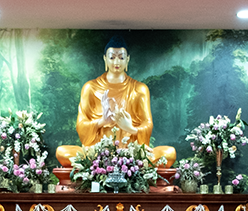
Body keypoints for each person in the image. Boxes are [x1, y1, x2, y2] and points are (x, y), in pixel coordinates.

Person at [56, 36, 176, 167]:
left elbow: (147, 123)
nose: (116, 62)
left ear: (127, 60)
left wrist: (130, 128)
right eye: (112, 57)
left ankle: (122, 166)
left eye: (121, 57)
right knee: (62, 152)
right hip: (97, 153)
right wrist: (102, 121)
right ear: (105, 59)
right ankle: (103, 164)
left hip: (131, 153)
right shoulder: (90, 88)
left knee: (169, 153)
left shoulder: (139, 89)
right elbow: (81, 124)